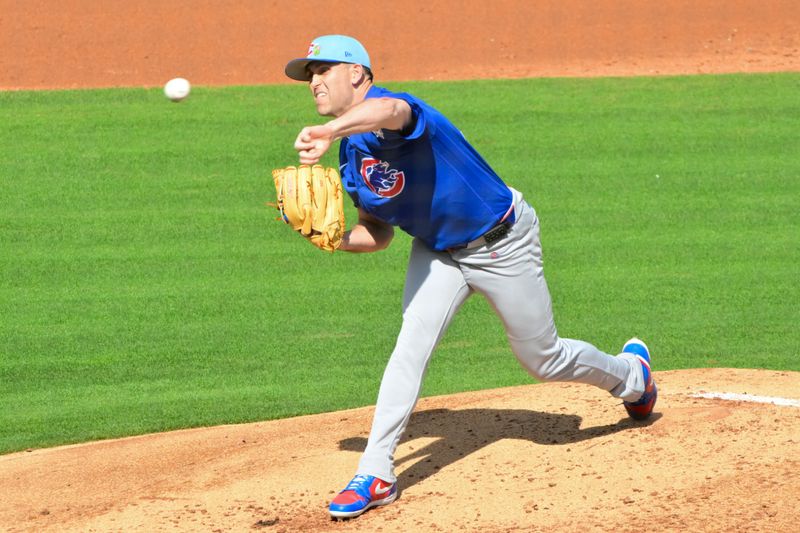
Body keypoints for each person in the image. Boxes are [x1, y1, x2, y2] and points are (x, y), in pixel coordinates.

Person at [283, 35, 657, 519]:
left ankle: (633, 377)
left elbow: (391, 112)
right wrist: (331, 238)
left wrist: (329, 130)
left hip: (502, 241)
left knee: (543, 359)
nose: (313, 81)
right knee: (410, 344)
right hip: (437, 250)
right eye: (308, 75)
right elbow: (376, 233)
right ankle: (375, 472)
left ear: (357, 72)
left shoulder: (397, 111)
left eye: (323, 69)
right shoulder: (351, 157)